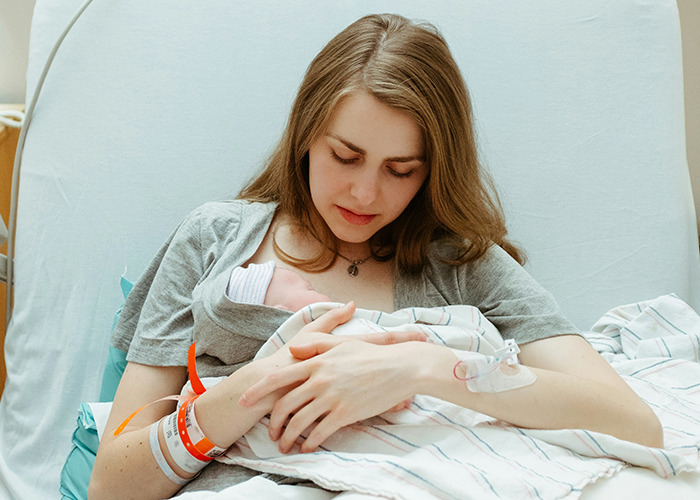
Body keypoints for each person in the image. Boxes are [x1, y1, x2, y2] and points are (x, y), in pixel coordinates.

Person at [88, 13, 663, 500]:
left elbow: (633, 421)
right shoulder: (215, 239)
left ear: (432, 169)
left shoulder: (462, 265)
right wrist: (255, 388)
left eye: (400, 170)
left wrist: (417, 367)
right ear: (306, 136)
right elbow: (112, 484)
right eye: (346, 156)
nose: (365, 194)